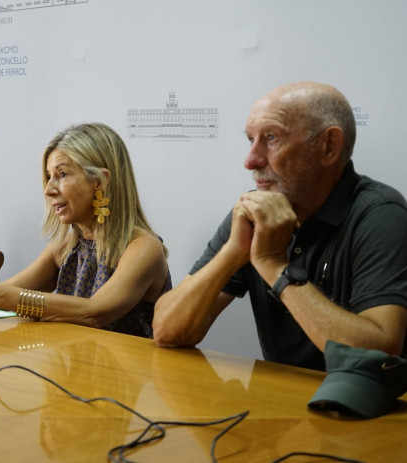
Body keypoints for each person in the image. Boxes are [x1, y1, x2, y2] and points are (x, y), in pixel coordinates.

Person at [153, 81, 407, 370]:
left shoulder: (379, 213)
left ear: (329, 146)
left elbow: (379, 356)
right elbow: (166, 330)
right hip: (278, 403)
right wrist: (232, 253)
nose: (250, 161)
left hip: (363, 408)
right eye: (251, 140)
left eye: (271, 138)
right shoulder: (255, 210)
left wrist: (274, 267)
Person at [0, 122, 170, 338]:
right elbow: (0, 294)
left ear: (99, 182)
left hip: (124, 378)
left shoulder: (144, 247)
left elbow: (95, 312)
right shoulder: (65, 247)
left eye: (62, 175)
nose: (48, 190)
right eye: (49, 177)